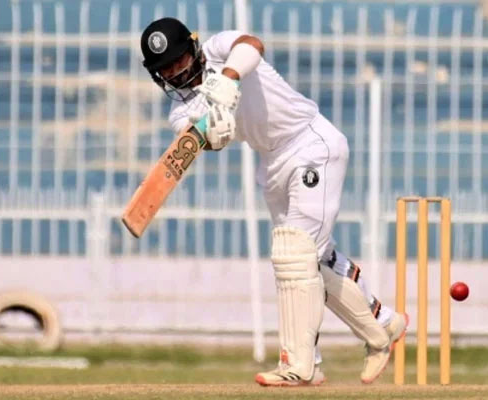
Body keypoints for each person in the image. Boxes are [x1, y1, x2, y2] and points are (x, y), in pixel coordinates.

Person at [139, 17, 408, 386]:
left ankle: (299, 365)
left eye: (177, 60)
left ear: (194, 48)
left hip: (310, 142)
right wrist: (214, 132)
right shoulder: (181, 111)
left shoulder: (220, 48)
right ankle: (382, 326)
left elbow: (253, 44)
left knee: (295, 254)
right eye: (164, 69)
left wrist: (229, 79)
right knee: (314, 260)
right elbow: (199, 139)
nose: (173, 72)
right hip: (273, 163)